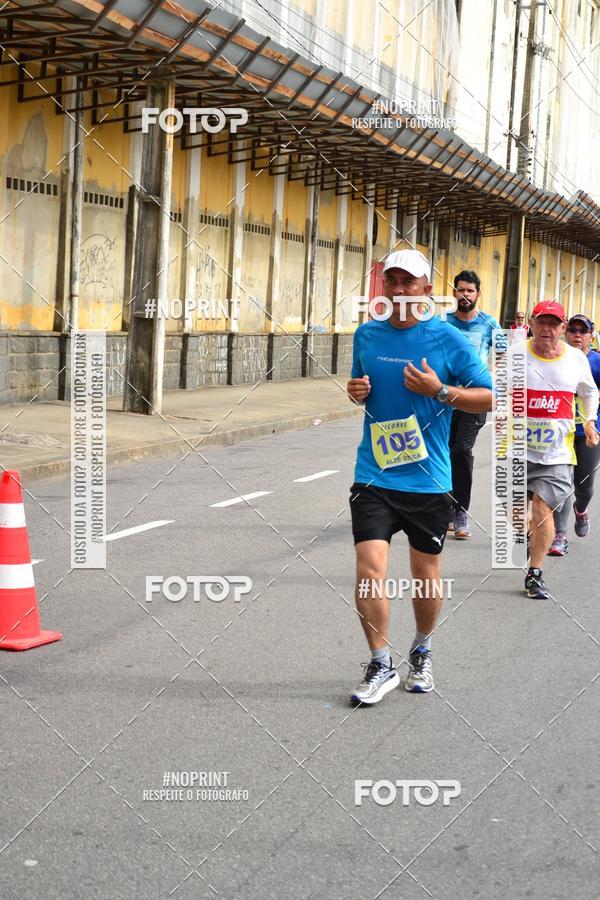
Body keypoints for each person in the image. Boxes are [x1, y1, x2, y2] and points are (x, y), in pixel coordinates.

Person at [346, 249, 493, 704]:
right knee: (369, 569)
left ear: (427, 290)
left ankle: (422, 649)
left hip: (428, 480)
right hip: (373, 474)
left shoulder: (449, 340)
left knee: (425, 574)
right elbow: (359, 389)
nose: (398, 289)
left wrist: (441, 391)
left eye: (408, 281)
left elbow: (490, 397)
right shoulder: (366, 335)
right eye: (391, 280)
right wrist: (355, 392)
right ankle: (379, 662)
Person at [512, 301, 599, 599]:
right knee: (516, 516)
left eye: (554, 324)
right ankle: (525, 534)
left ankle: (534, 574)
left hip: (556, 454)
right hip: (517, 449)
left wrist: (588, 422)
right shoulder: (516, 352)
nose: (547, 329)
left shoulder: (575, 359)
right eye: (542, 322)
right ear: (533, 324)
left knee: (541, 508)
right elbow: (495, 389)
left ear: (561, 329)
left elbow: (589, 391)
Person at [445, 270, 504, 538]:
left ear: (478, 294)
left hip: (476, 397)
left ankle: (460, 511)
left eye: (470, 290)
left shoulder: (490, 324)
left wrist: (496, 381)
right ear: (454, 293)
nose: (465, 295)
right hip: (444, 397)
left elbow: (506, 356)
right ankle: (444, 508)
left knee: (460, 450)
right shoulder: (442, 323)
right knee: (443, 452)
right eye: (461, 290)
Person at [549, 314, 600, 555]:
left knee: (584, 485)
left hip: (588, 432)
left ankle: (581, 510)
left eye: (583, 331)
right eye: (572, 330)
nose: (577, 335)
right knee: (561, 483)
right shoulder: (554, 359)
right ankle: (559, 535)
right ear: (565, 332)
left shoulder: (597, 362)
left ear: (591, 336)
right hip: (559, 431)